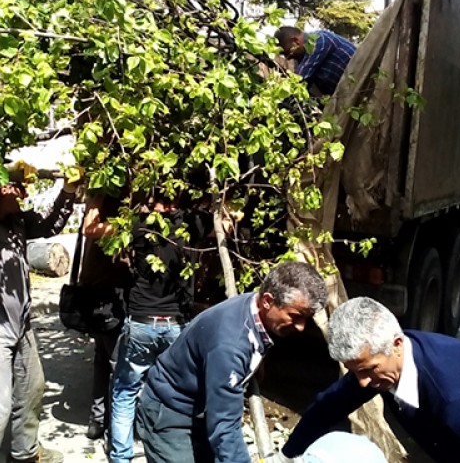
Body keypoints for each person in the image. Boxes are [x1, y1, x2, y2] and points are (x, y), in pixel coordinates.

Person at [278, 297, 460, 462]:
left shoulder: (457, 397)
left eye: (368, 369)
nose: (360, 382)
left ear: (396, 344)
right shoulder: (380, 364)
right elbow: (329, 406)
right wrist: (287, 456)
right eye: (354, 371)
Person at [135, 261, 328, 462]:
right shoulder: (231, 346)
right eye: (295, 316)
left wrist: (255, 361)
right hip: (169, 413)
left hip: (198, 409)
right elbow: (225, 428)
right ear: (268, 301)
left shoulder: (253, 308)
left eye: (307, 319)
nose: (301, 327)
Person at [0, 169, 77, 463]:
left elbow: (49, 225)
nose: (22, 194)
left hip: (20, 326)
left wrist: (68, 191)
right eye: (15, 188)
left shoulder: (17, 222)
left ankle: (25, 454)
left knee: (31, 390)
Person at [108, 190, 212, 463]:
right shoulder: (194, 223)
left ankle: (121, 457)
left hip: (142, 321)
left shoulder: (141, 226)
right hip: (177, 324)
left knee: (125, 391)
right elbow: (231, 218)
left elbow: (95, 229)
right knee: (177, 390)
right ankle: (171, 448)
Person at [78, 194, 132, 440]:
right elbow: (89, 228)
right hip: (109, 291)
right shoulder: (108, 198)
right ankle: (117, 427)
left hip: (101, 289)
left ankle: (98, 419)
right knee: (116, 361)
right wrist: (129, 225)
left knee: (102, 357)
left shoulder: (104, 199)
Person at [276, 26, 356, 97]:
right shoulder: (302, 59)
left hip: (362, 81)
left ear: (295, 41)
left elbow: (299, 79)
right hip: (350, 94)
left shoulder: (319, 40)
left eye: (287, 53)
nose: (288, 58)